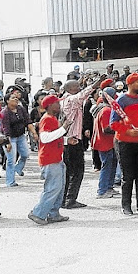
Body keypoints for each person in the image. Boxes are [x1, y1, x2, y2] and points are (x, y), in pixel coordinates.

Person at [110, 73, 138, 216]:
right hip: (124, 143)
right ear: (130, 83)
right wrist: (127, 131)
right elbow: (113, 123)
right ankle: (126, 206)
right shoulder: (122, 100)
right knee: (127, 177)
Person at [29, 95, 72, 225]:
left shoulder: (52, 119)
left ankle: (53, 213)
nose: (59, 106)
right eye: (57, 103)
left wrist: (66, 140)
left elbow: (53, 138)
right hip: (50, 159)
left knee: (59, 187)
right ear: (50, 106)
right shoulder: (47, 119)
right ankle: (38, 213)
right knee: (53, 188)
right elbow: (45, 138)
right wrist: (64, 128)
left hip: (55, 158)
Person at [61, 78, 99, 209]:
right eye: (77, 87)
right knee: (77, 171)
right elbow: (82, 95)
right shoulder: (71, 100)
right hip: (72, 140)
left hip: (68, 139)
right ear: (71, 89)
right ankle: (70, 199)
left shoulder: (64, 100)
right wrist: (94, 85)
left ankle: (64, 198)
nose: (80, 89)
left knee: (69, 171)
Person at [1, 91, 38, 187]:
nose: (16, 99)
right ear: (7, 101)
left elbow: (28, 121)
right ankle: (10, 181)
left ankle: (18, 168)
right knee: (10, 159)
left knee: (25, 154)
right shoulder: (5, 113)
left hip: (21, 136)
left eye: (16, 98)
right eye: (13, 98)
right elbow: (6, 128)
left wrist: (34, 133)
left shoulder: (20, 109)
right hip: (9, 137)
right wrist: (7, 142)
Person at [91, 81, 118, 199]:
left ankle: (109, 187)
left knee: (112, 164)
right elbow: (106, 129)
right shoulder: (106, 110)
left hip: (109, 142)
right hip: (104, 142)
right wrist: (119, 128)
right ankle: (102, 190)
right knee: (107, 165)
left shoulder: (105, 108)